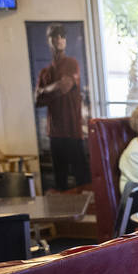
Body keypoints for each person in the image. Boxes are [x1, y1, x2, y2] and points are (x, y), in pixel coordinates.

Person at [35, 23, 90, 190]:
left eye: (62, 36)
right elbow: (37, 101)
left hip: (73, 131)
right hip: (55, 133)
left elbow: (64, 86)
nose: (59, 39)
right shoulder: (45, 71)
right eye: (55, 36)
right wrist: (53, 88)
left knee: (82, 179)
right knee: (60, 180)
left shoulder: (72, 63)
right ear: (49, 40)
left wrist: (45, 91)